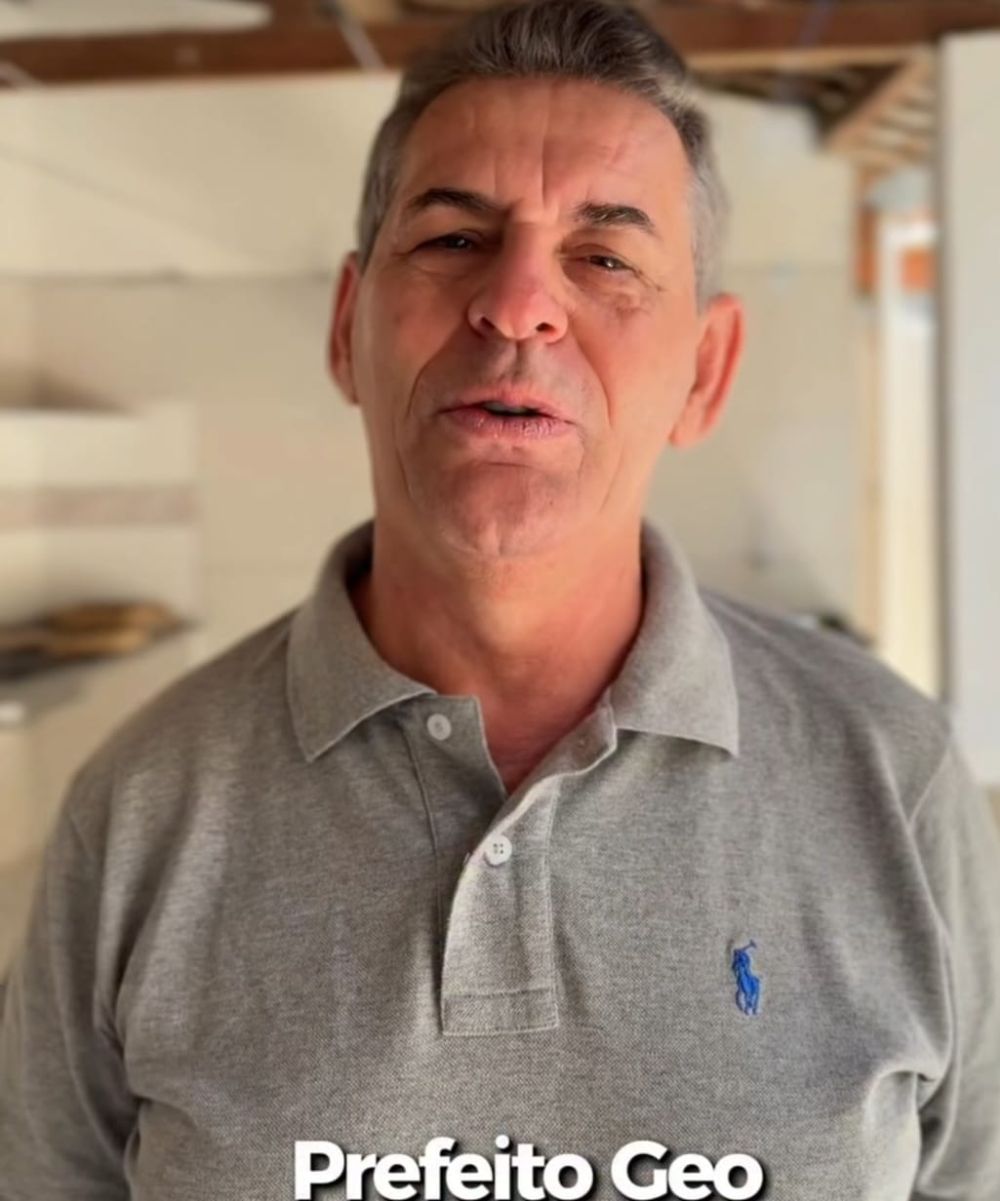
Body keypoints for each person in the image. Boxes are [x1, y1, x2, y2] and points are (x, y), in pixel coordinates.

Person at [2, 1, 999, 1198]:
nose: (519, 302)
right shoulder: (142, 804)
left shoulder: (889, 774)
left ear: (706, 369)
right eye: (454, 238)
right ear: (346, 327)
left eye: (605, 257)